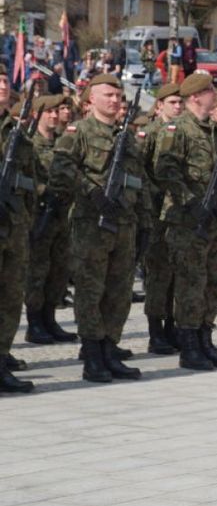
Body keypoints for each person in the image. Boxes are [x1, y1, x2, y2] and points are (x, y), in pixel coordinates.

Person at [49, 74, 150, 383]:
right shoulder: (78, 131)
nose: (115, 99)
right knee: (91, 291)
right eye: (107, 94)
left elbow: (138, 178)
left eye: (118, 95)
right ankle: (93, 356)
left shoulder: (126, 136)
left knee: (119, 292)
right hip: (92, 223)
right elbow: (62, 166)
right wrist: (91, 191)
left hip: (124, 222)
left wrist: (145, 219)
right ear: (90, 99)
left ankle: (110, 349)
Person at [153, 73, 217, 370]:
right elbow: (164, 169)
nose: (215, 95)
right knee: (191, 283)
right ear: (196, 97)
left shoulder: (215, 131)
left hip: (215, 220)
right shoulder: (176, 129)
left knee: (213, 281)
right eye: (209, 90)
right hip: (188, 220)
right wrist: (191, 202)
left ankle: (206, 338)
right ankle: (189, 344)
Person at [23, 95, 77, 348]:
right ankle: (34, 323)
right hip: (40, 216)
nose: (55, 116)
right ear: (37, 114)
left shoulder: (62, 143)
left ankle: (50, 318)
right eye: (49, 112)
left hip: (62, 216)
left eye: (57, 111)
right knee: (38, 271)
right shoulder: (28, 143)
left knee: (58, 271)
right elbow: (24, 177)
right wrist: (44, 191)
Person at [0, 87, 42, 392]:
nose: (3, 86)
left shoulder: (17, 133)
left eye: (4, 79)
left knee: (11, 298)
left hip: (14, 228)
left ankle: (1, 362)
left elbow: (32, 180)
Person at [139, 83, 184, 355]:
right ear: (159, 106)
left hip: (179, 213)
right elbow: (140, 169)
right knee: (158, 275)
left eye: (180, 102)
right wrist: (155, 195)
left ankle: (172, 327)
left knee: (176, 274)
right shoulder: (150, 133)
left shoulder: (181, 132)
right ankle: (156, 331)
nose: (177, 107)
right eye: (172, 102)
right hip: (157, 213)